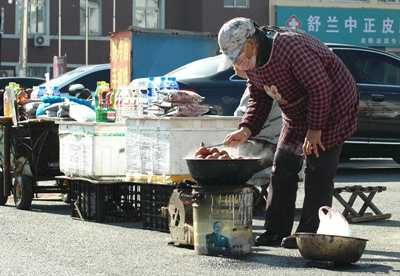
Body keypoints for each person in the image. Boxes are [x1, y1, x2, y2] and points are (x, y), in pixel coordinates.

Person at [218, 17, 359, 249]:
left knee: (318, 170)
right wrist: (246, 129)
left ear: (252, 42)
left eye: (239, 55)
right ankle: (275, 231)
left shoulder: (290, 47)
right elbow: (259, 99)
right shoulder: (253, 66)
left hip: (333, 107)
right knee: (282, 167)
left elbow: (320, 88)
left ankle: (309, 234)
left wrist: (315, 130)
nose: (239, 63)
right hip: (296, 112)